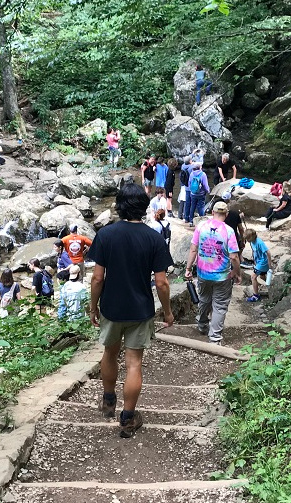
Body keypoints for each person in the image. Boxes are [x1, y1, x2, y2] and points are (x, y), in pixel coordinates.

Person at [88, 183, 174, 438]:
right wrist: (167, 312)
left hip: (112, 307)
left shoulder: (106, 235)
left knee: (109, 353)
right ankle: (127, 418)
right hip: (140, 309)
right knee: (134, 363)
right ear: (145, 207)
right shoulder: (154, 238)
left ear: (119, 205)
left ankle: (108, 399)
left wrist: (93, 306)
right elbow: (161, 282)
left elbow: (97, 278)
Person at [185, 201, 241, 344]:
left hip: (203, 273)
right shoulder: (229, 231)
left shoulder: (201, 226)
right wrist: (236, 272)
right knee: (220, 305)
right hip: (222, 275)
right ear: (226, 214)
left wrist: (188, 268)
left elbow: (193, 249)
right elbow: (234, 256)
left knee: (204, 299)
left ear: (212, 212)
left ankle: (202, 325)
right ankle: (215, 338)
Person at [243, 229, 271, 303]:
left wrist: (269, 264)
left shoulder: (259, 242)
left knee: (253, 277)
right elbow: (254, 251)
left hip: (263, 263)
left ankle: (256, 296)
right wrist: (254, 260)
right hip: (258, 262)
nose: (247, 240)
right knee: (262, 276)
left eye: (248, 238)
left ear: (252, 236)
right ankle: (271, 287)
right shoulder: (252, 242)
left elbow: (268, 252)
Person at [221, 191, 246, 265]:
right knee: (241, 239)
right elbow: (241, 229)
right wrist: (243, 240)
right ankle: (239, 257)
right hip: (233, 237)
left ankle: (240, 257)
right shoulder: (235, 213)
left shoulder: (218, 213)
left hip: (221, 236)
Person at [186, 163, 210, 227]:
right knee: (201, 207)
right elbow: (205, 185)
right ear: (200, 168)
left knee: (192, 206)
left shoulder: (191, 174)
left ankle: (191, 221)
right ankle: (202, 221)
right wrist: (208, 190)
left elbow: (189, 183)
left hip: (193, 193)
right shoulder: (203, 174)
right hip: (201, 194)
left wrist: (191, 190)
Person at [180, 156, 194, 222]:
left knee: (187, 202)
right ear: (190, 161)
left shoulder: (183, 166)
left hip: (186, 187)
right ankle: (191, 218)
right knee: (192, 203)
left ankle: (186, 217)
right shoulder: (191, 167)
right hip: (191, 187)